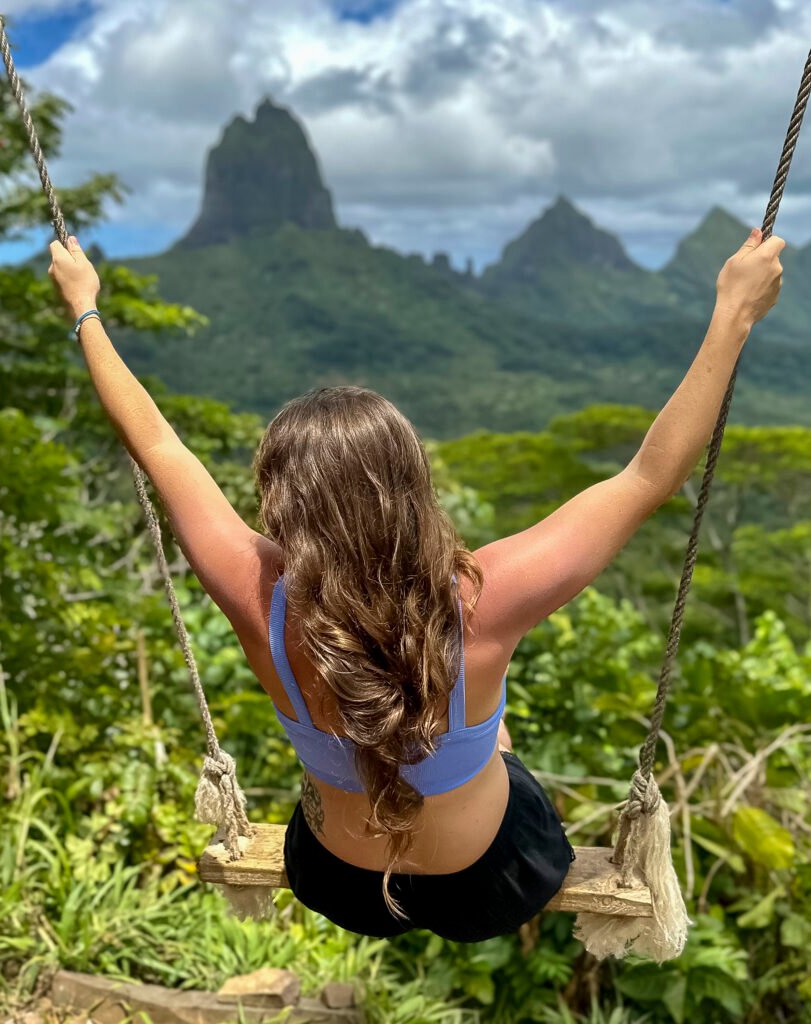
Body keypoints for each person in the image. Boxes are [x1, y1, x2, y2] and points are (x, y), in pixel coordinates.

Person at [48, 223, 784, 942]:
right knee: (490, 737)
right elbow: (649, 474)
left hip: (339, 879)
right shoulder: (483, 599)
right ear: (412, 485)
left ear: (279, 504)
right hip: (489, 884)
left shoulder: (257, 594)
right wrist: (732, 314)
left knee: (447, 735)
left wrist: (86, 308)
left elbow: (156, 443)